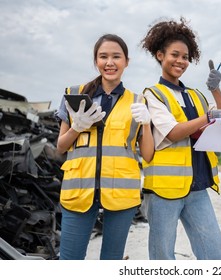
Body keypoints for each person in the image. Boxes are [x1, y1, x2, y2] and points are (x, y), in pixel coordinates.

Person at [139, 17, 221, 260]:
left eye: (185, 57)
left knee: (215, 254)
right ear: (159, 55)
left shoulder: (195, 95)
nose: (181, 61)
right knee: (163, 257)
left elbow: (220, 117)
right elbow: (173, 131)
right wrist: (209, 116)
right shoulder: (152, 94)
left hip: (197, 186)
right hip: (164, 191)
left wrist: (215, 90)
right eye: (175, 54)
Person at [56, 34, 154, 260]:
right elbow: (61, 147)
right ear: (96, 61)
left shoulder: (138, 101)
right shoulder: (74, 94)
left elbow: (148, 155)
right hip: (79, 188)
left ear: (126, 62)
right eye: (103, 57)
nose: (110, 62)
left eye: (116, 57)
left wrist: (147, 124)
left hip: (121, 191)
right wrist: (76, 128)